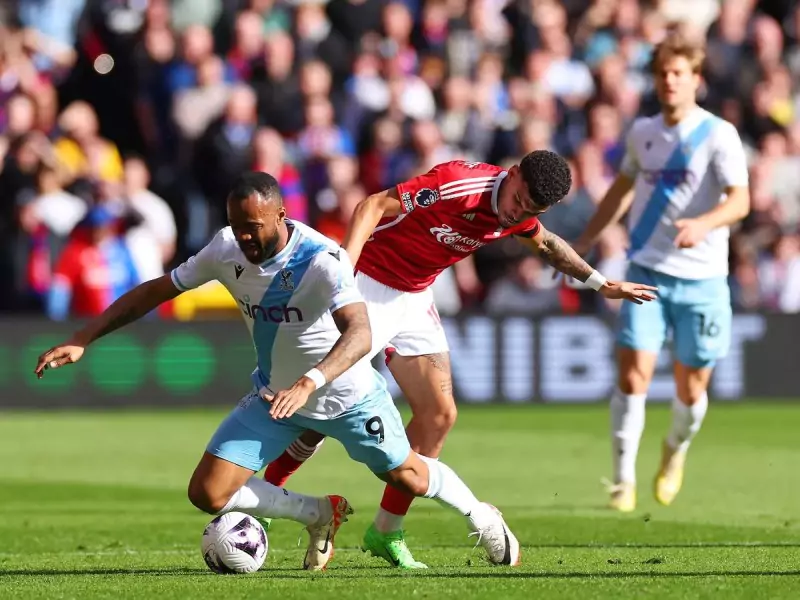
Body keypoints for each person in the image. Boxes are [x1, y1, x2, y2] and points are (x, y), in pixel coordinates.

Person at [33, 172, 521, 571]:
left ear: (281, 217)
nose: (244, 236)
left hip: (347, 397)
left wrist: (312, 380)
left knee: (409, 476)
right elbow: (157, 290)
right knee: (206, 493)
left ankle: (482, 515)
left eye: (254, 227)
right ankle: (318, 513)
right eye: (237, 225)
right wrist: (83, 338)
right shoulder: (225, 249)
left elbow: (361, 334)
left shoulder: (322, 259)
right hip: (275, 398)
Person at [261, 151, 658, 568]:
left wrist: (599, 283)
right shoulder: (457, 185)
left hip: (414, 297)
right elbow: (372, 206)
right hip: (370, 284)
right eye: (518, 200)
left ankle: (386, 530)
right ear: (513, 172)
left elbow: (546, 244)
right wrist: (344, 276)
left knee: (438, 415)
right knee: (323, 412)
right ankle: (269, 498)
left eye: (530, 209)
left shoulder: (519, 210)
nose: (516, 213)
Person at [571, 33, 750, 512]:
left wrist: (705, 223)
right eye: (662, 73)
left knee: (693, 391)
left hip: (705, 279)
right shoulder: (642, 132)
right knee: (634, 377)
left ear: (696, 80)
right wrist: (585, 240)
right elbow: (621, 191)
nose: (669, 81)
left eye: (679, 73)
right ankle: (622, 480)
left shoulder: (718, 134)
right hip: (646, 271)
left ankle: (675, 451)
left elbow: (741, 200)